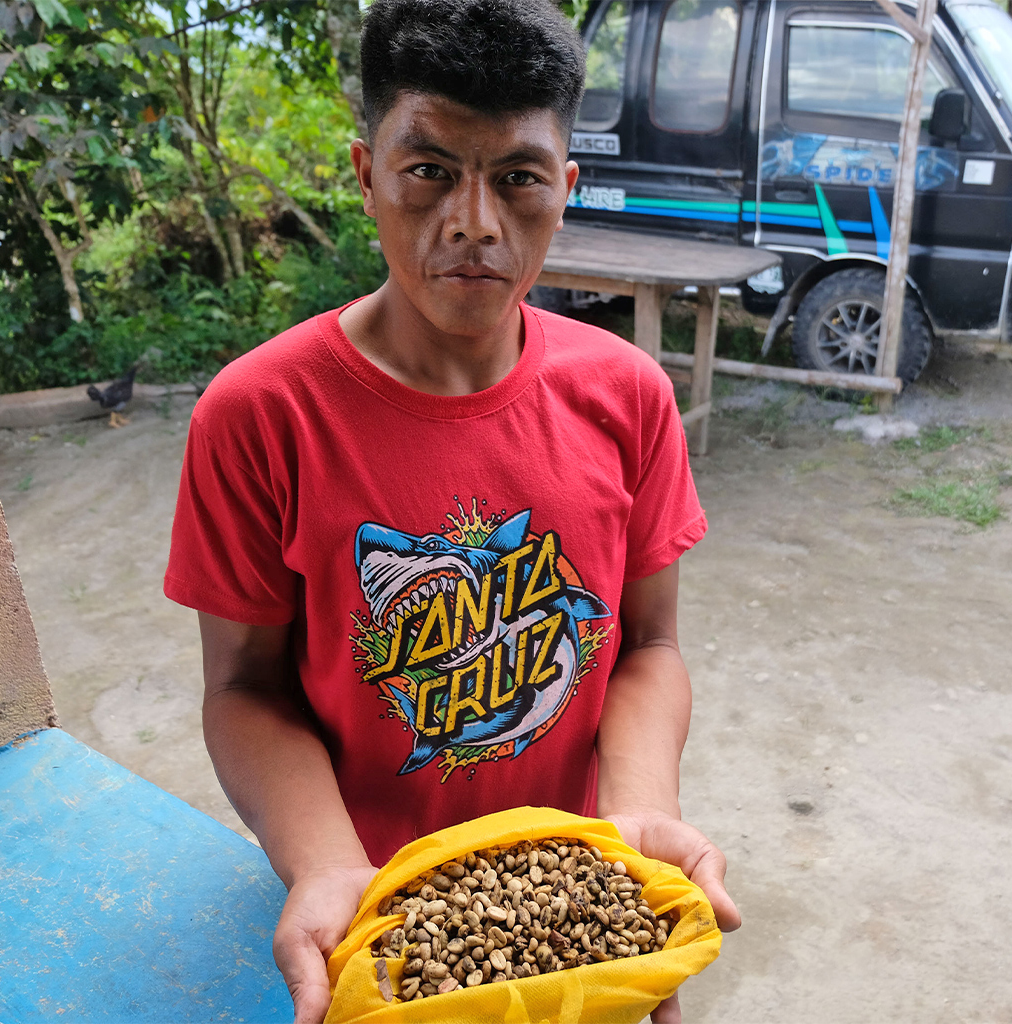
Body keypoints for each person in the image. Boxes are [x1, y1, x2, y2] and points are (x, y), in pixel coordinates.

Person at [163, 1, 739, 1020]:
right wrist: (331, 869)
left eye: (517, 178)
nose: (474, 222)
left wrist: (639, 811)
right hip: (375, 914)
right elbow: (243, 689)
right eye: (428, 169)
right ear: (365, 173)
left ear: (564, 189)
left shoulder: (628, 396)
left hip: (571, 890)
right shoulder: (259, 416)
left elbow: (648, 645)